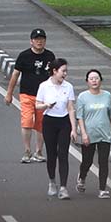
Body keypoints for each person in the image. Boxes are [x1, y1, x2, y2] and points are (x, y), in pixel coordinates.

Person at [4, 29, 54, 164]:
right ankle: (27, 150)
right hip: (26, 94)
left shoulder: (50, 56)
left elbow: (53, 76)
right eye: (36, 39)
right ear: (31, 41)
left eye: (42, 39)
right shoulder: (24, 56)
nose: (39, 41)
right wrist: (9, 93)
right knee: (27, 121)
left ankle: (38, 151)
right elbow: (15, 75)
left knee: (41, 124)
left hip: (43, 96)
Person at [35, 58, 78, 199]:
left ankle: (64, 188)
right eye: (62, 71)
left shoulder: (68, 87)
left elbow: (71, 108)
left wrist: (73, 128)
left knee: (63, 153)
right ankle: (52, 181)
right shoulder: (44, 86)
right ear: (54, 71)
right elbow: (37, 105)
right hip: (49, 122)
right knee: (52, 153)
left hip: (64, 121)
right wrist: (46, 105)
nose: (65, 74)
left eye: (66, 71)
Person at [75, 69, 111, 199]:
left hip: (104, 133)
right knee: (87, 161)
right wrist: (83, 134)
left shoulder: (107, 95)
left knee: (103, 161)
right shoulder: (82, 97)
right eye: (91, 78)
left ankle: (102, 189)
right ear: (87, 81)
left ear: (101, 80)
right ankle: (82, 178)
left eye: (97, 78)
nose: (94, 80)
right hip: (89, 134)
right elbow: (80, 117)